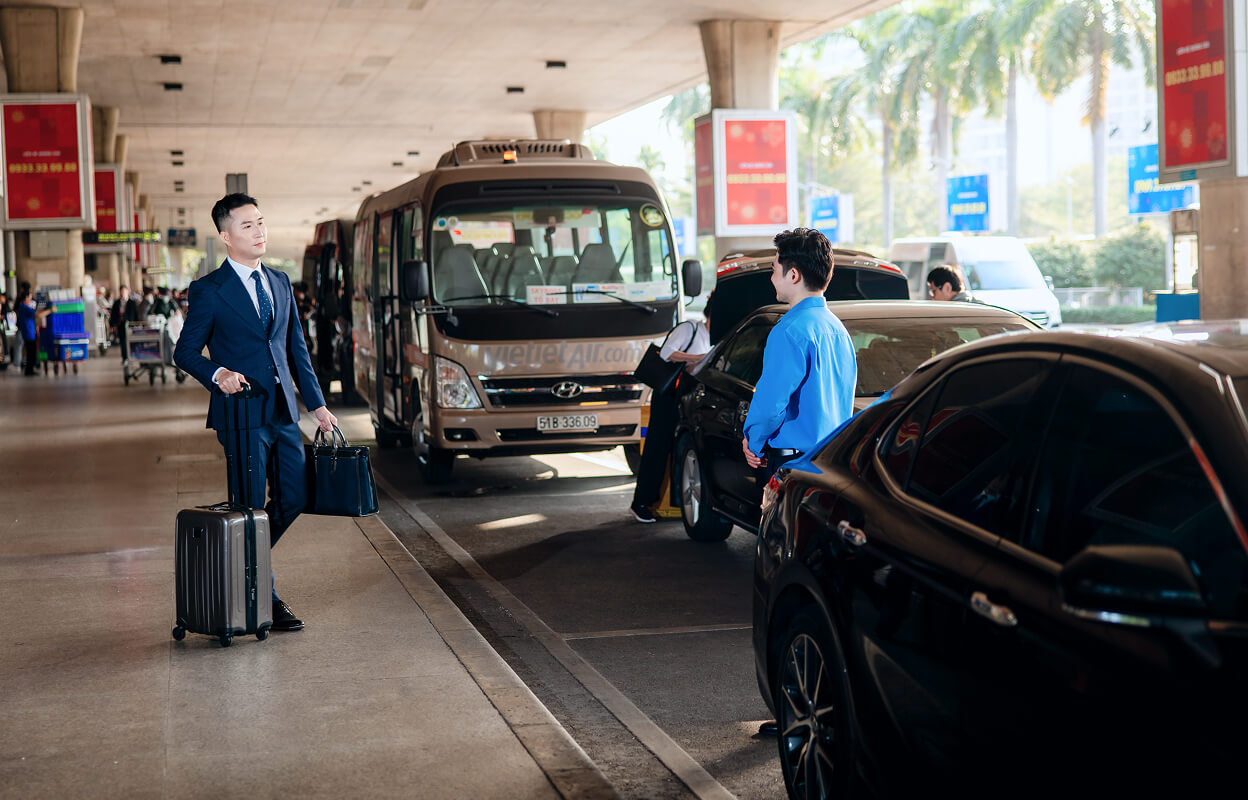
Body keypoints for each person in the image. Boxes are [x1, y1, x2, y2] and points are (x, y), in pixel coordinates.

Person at [173, 193, 338, 632]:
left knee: (295, 497)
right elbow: (184, 352)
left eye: (261, 222)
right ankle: (265, 596)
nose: (259, 231)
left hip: (284, 412)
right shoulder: (209, 290)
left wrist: (318, 405)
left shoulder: (280, 282)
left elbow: (296, 349)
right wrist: (218, 373)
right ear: (226, 237)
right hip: (242, 414)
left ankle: (243, 560)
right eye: (247, 226)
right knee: (248, 508)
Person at [741, 228, 857, 481]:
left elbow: (770, 405)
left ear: (793, 275)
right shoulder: (838, 330)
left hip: (793, 464)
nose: (771, 278)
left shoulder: (788, 331)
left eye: (773, 269)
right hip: (833, 461)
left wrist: (754, 441)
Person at [629, 295, 713, 523]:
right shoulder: (690, 329)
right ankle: (641, 503)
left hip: (688, 396)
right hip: (668, 395)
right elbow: (667, 352)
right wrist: (699, 358)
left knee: (680, 449)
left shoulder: (713, 339)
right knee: (657, 448)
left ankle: (678, 503)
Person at [16, 291, 51, 377]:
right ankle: (29, 370)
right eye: (30, 298)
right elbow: (38, 315)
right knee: (31, 352)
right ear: (26, 298)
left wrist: (45, 309)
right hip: (29, 334)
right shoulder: (25, 308)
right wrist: (50, 310)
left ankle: (29, 369)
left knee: (30, 352)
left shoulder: (22, 308)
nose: (30, 300)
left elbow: (36, 312)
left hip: (27, 333)